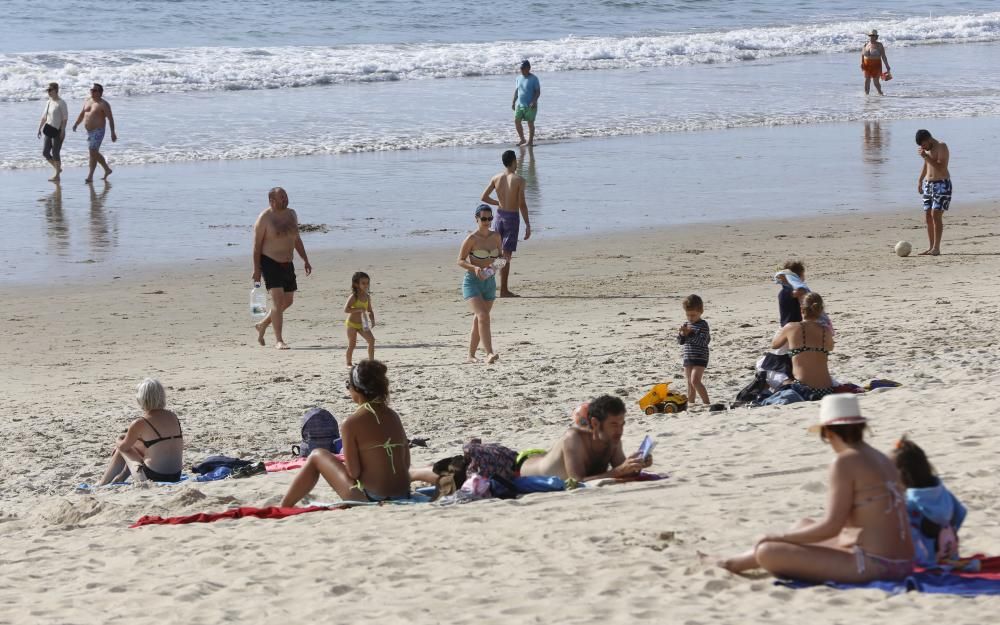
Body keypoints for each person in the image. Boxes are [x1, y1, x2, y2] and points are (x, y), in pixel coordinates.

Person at [719, 394, 914, 582]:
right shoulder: (881, 458)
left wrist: (778, 536)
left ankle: (731, 563)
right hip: (904, 562)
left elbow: (831, 527)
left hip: (875, 565)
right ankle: (734, 561)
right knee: (804, 524)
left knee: (768, 550)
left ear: (828, 433)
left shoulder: (844, 461)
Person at [281, 360, 411, 505]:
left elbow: (354, 473)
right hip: (404, 493)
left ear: (357, 388)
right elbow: (406, 464)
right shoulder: (393, 416)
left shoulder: (351, 423)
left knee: (317, 455)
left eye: (348, 385)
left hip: (374, 497)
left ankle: (285, 506)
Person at [517, 396, 651, 482]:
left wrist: (637, 465)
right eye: (613, 425)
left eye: (622, 425)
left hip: (544, 456)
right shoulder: (574, 438)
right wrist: (619, 471)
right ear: (595, 423)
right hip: (526, 468)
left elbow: (625, 472)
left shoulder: (613, 440)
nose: (620, 431)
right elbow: (577, 481)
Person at [252, 187, 312, 350]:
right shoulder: (264, 218)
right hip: (269, 262)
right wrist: (257, 270)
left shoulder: (292, 214)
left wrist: (305, 259)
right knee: (278, 301)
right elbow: (257, 247)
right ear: (272, 201)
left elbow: (296, 239)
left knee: (288, 301)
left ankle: (263, 324)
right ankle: (279, 340)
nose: (285, 200)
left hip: (287, 262)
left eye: (286, 196)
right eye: (281, 198)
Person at [892, 436, 966, 566]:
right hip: (949, 554)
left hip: (924, 560)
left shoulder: (908, 503)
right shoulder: (943, 493)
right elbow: (960, 513)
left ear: (902, 475)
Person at [97, 378, 184, 485]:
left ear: (141, 399)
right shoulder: (173, 417)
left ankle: (103, 482)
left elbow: (124, 447)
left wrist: (118, 439)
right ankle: (121, 477)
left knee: (122, 449)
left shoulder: (140, 422)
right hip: (176, 475)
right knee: (138, 446)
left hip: (152, 477)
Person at [480, 149, 531, 297]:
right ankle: (501, 287)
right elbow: (522, 204)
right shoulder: (519, 180)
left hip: (499, 216)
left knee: (499, 254)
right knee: (506, 256)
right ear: (514, 161)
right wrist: (527, 224)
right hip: (512, 218)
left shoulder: (496, 178)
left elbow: (484, 197)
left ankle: (488, 278)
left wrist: (498, 202)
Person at [457, 204, 503, 363]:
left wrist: (492, 269)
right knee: (483, 315)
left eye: (490, 218)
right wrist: (475, 268)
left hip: (489, 282)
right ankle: (489, 353)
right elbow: (460, 261)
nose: (487, 221)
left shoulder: (496, 236)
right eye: (483, 218)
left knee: (480, 319)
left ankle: (470, 355)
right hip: (472, 282)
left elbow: (502, 259)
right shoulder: (471, 239)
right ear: (476, 219)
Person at [771, 292, 834, 401]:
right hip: (826, 389)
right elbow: (831, 347)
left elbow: (774, 345)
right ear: (820, 310)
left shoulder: (791, 327)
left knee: (765, 366)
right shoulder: (826, 331)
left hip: (804, 389)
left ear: (801, 309)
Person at [72, 83, 117, 183]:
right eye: (91, 90)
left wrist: (113, 132)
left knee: (93, 151)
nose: (92, 92)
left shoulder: (103, 104)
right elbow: (82, 114)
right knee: (92, 153)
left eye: (95, 90)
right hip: (89, 132)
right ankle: (97, 174)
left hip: (98, 130)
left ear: (100, 93)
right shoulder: (88, 101)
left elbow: (110, 119)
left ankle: (102, 170)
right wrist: (76, 124)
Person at [915, 129, 951, 256]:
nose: (923, 147)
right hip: (928, 185)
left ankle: (937, 248)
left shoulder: (942, 146)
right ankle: (931, 247)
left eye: (923, 144)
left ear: (929, 139)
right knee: (928, 216)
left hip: (942, 184)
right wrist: (920, 181)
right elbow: (927, 166)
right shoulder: (927, 150)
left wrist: (926, 156)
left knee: (936, 215)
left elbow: (941, 168)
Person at [677, 294, 710, 406]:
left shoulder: (703, 325)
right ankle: (691, 403)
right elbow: (681, 342)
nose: (690, 318)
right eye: (688, 315)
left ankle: (707, 403)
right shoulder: (686, 324)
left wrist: (690, 334)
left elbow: (703, 342)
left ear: (701, 312)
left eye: (693, 315)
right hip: (688, 356)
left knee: (695, 381)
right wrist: (682, 334)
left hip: (700, 356)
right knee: (689, 383)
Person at [37, 82, 69, 182]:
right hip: (48, 129)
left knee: (55, 153)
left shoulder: (62, 102)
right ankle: (58, 169)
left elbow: (65, 118)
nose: (48, 92)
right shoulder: (49, 102)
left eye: (50, 90)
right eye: (48, 90)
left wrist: (63, 131)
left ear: (56, 90)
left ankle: (57, 175)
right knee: (45, 152)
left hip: (58, 131)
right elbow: (44, 117)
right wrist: (39, 128)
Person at [344, 271, 376, 367]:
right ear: (356, 284)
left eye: (367, 283)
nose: (366, 285)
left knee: (371, 340)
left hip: (363, 324)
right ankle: (349, 363)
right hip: (352, 324)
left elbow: (369, 310)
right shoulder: (354, 296)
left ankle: (371, 362)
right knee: (352, 344)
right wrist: (359, 309)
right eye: (363, 283)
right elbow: (346, 309)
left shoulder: (367, 296)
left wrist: (372, 319)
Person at [511, 60, 540, 146]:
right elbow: (516, 91)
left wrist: (534, 101)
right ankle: (522, 139)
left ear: (528, 68)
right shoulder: (518, 78)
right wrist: (513, 102)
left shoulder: (534, 79)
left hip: (530, 105)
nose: (521, 70)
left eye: (523, 68)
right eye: (521, 68)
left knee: (530, 123)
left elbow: (537, 92)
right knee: (517, 121)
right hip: (520, 105)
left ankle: (530, 141)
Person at [776, 260, 806, 327]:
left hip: (784, 325)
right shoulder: (790, 291)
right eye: (803, 275)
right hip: (794, 325)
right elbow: (799, 293)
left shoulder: (783, 291)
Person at [860, 30, 890, 96]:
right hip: (867, 64)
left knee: (875, 82)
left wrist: (887, 66)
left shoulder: (879, 45)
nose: (872, 37)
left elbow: (883, 56)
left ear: (876, 37)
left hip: (876, 64)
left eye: (873, 36)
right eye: (871, 36)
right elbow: (862, 55)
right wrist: (861, 63)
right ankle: (866, 95)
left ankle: (880, 93)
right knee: (867, 80)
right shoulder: (866, 44)